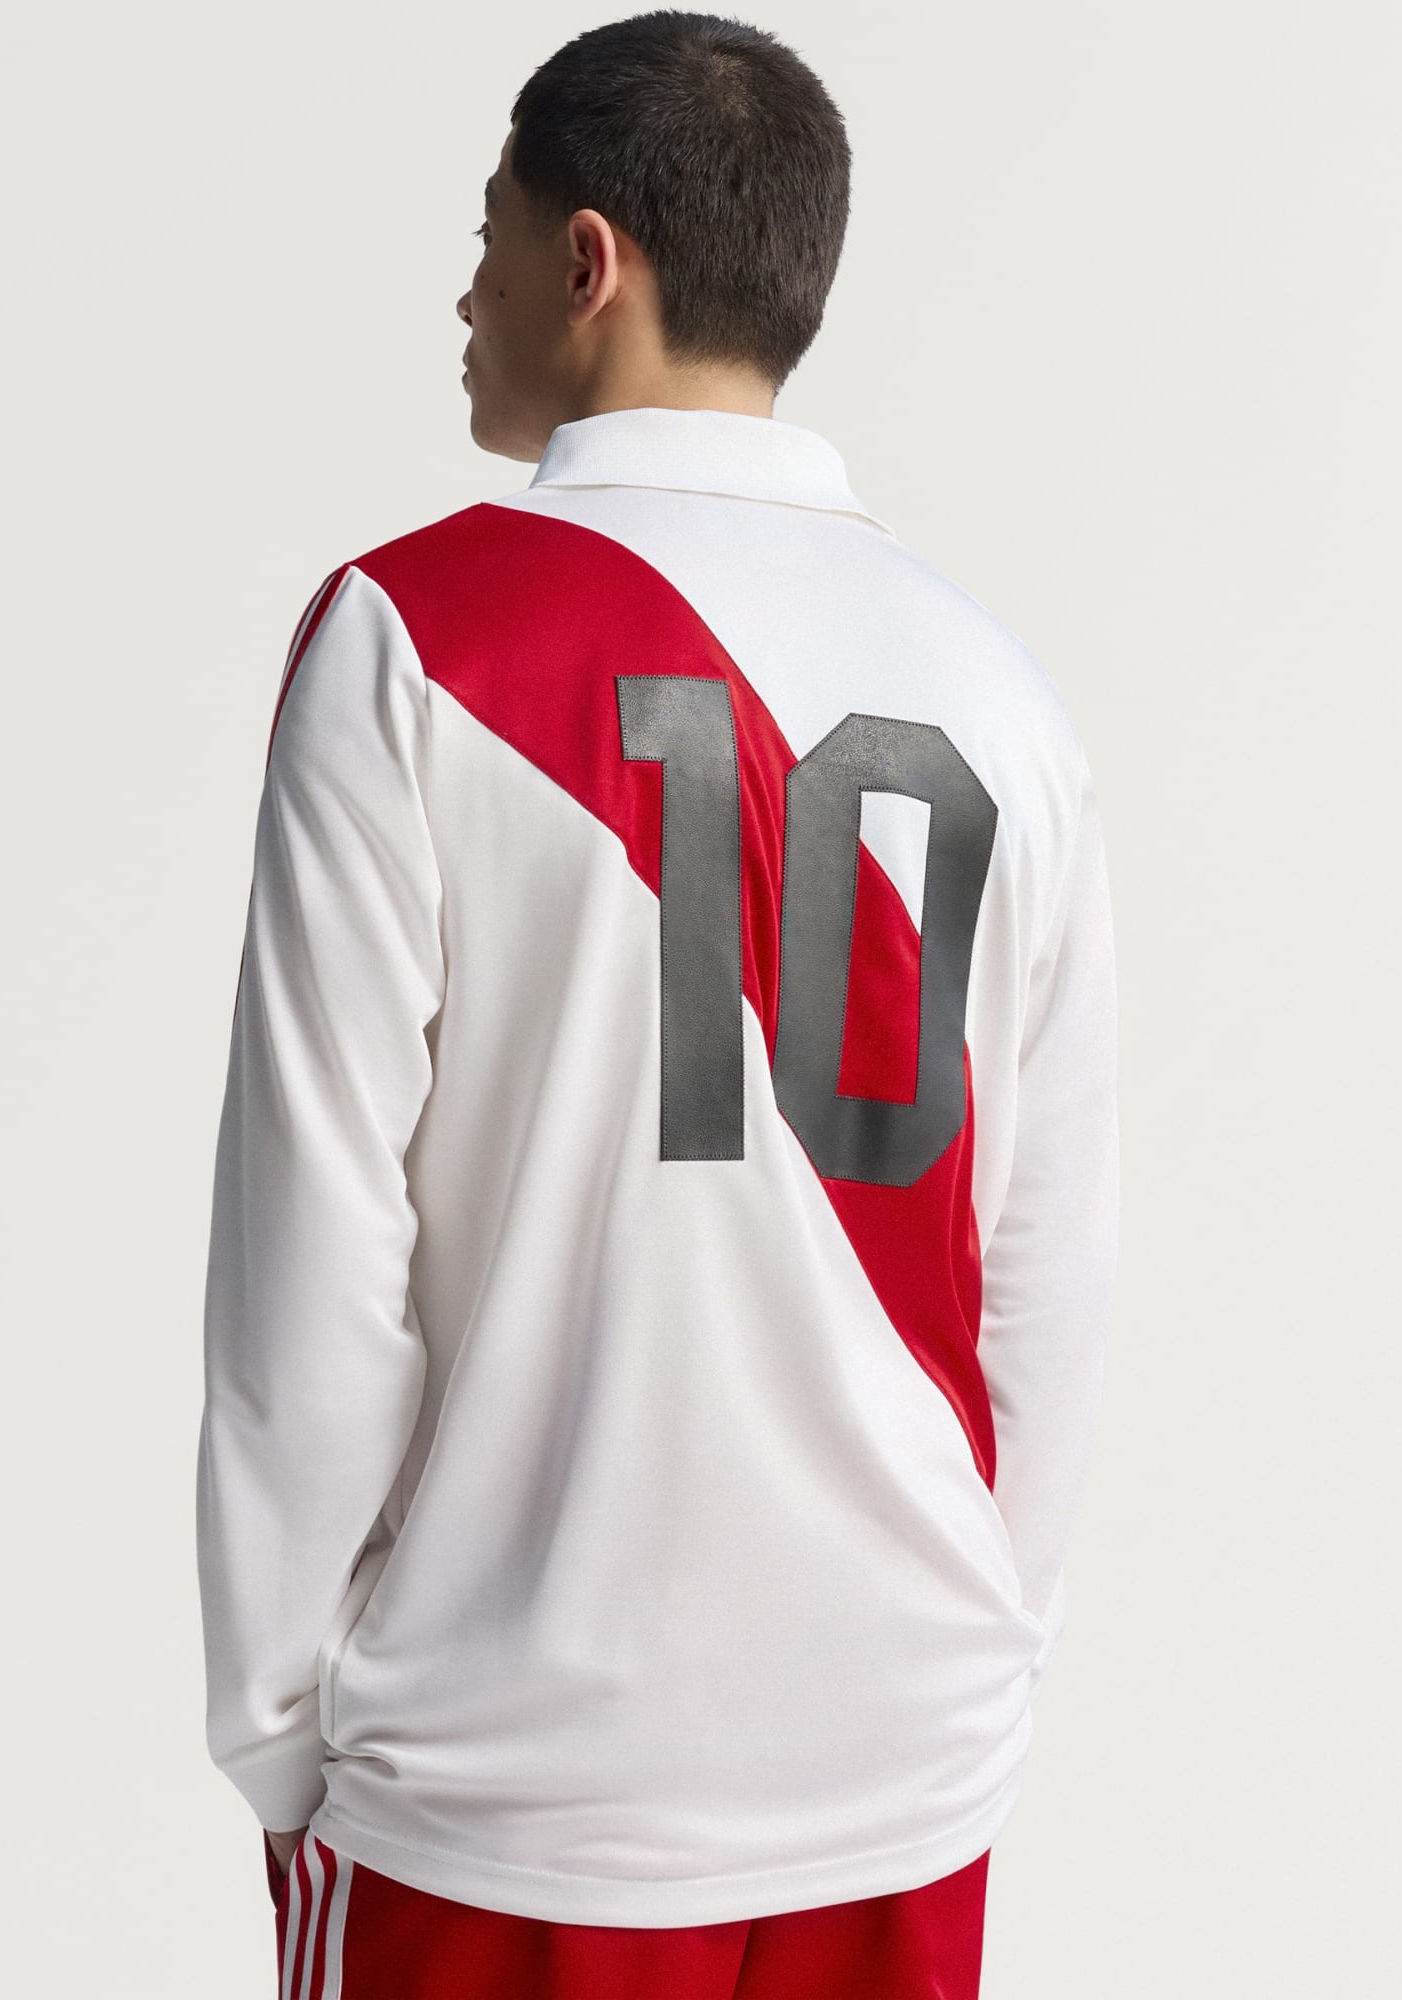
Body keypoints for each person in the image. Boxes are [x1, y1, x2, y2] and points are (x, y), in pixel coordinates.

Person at [196, 12, 1120, 1996]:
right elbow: (1044, 1262)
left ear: (586, 261)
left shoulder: (412, 640)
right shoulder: (1004, 695)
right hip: (901, 1759)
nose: (464, 293)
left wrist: (280, 1733)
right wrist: (979, 1658)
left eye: (487, 234)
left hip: (514, 1774)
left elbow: (315, 1243)